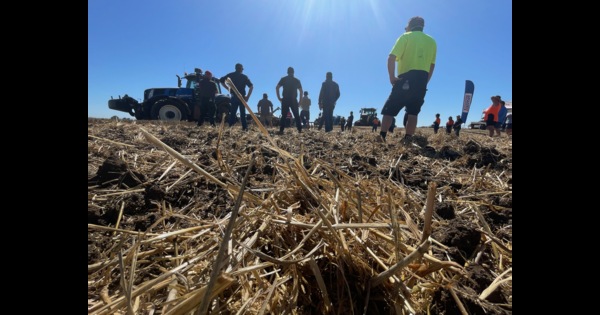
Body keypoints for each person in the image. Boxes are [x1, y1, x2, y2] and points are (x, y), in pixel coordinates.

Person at [378, 16, 437, 143]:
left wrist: (391, 77)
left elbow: (391, 57)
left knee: (389, 109)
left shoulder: (406, 36)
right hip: (422, 79)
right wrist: (425, 81)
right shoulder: (432, 41)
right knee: (413, 112)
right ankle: (408, 138)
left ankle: (382, 136)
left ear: (410, 25)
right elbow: (432, 65)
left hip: (405, 77)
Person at [220, 63, 253, 131]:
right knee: (242, 114)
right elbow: (251, 86)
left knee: (233, 113)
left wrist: (228, 88)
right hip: (242, 97)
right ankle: (244, 128)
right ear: (241, 69)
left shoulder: (230, 75)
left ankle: (230, 127)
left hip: (234, 96)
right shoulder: (244, 77)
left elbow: (221, 80)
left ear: (235, 68)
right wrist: (247, 97)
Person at [276, 67, 303, 134]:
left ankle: (281, 130)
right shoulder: (297, 80)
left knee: (284, 115)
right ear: (293, 72)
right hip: (293, 99)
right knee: (296, 115)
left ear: (287, 72)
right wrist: (300, 101)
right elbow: (301, 91)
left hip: (285, 99)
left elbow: (277, 87)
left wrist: (279, 97)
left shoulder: (283, 79)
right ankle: (299, 129)